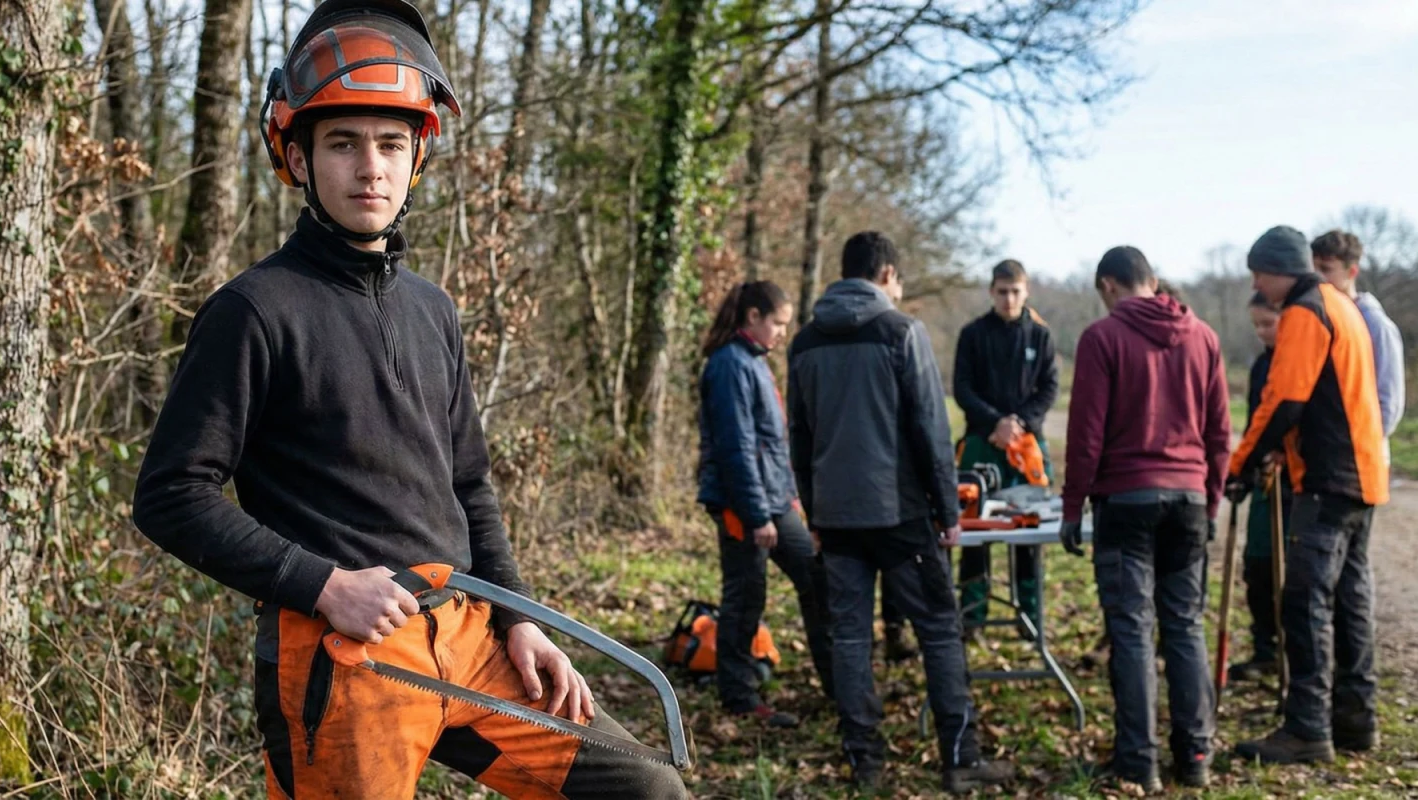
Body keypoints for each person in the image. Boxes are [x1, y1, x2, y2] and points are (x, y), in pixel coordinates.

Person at [132, 3, 687, 796]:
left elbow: (470, 485)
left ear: (417, 156)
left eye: (392, 144)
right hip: (342, 651)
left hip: (467, 631)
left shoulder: (434, 309)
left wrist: (518, 618)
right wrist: (323, 585)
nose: (371, 168)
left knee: (645, 789)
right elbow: (170, 496)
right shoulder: (254, 311)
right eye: (343, 143)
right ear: (295, 154)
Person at [787, 231, 1014, 792]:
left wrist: (815, 512)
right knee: (939, 631)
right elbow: (931, 430)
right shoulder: (901, 332)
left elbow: (800, 436)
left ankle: (865, 763)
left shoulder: (804, 343)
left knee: (851, 638)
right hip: (901, 513)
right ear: (887, 275)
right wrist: (949, 511)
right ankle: (960, 759)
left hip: (837, 516)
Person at [1058, 246, 1229, 792]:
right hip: (1187, 499)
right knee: (1183, 626)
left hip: (1126, 500)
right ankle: (1195, 756)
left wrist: (1072, 506)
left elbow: (1086, 436)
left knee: (1131, 632)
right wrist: (1212, 501)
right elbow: (1219, 434)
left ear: (1109, 284)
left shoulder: (1102, 338)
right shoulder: (1203, 336)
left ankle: (1139, 761)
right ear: (1152, 281)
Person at [1228, 225, 1387, 764]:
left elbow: (1285, 399)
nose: (1258, 285)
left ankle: (1307, 729)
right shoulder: (1342, 306)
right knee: (1349, 600)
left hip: (1326, 479)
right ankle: (1355, 719)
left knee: (1304, 601)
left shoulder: (1304, 311)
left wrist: (1241, 464)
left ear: (1279, 271)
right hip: (1363, 476)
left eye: (1259, 274)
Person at [696, 280, 833, 728]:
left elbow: (771, 444)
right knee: (745, 595)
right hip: (747, 506)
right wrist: (757, 515)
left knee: (815, 576)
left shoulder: (752, 361)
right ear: (752, 317)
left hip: (773, 501)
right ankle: (738, 696)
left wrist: (790, 498)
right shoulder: (730, 366)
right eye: (777, 323)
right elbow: (737, 447)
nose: (781, 333)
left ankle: (838, 681)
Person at [949, 259, 1059, 633]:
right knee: (974, 531)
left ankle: (1028, 617)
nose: (1009, 298)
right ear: (991, 292)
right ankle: (972, 616)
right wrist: (995, 422)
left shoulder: (1041, 336)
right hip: (982, 442)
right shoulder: (972, 334)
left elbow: (1049, 388)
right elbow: (962, 387)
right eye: (1002, 291)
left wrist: (1020, 423)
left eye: (1015, 291)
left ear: (1026, 291)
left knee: (1029, 532)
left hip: (1027, 446)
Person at [1229, 293, 1295, 683]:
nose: (1261, 332)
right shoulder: (1259, 367)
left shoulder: (1300, 359)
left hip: (1296, 481)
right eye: (1256, 325)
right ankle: (1264, 648)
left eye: (1267, 324)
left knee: (1290, 571)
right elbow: (1256, 421)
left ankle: (1294, 652)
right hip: (1262, 479)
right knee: (1257, 566)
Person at [1311, 229, 1405, 445]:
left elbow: (1388, 403)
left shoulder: (1376, 325)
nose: (1317, 278)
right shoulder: (1317, 319)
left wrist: (1355, 445)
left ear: (1351, 272)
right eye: (1313, 269)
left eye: (1326, 269)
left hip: (1360, 455)